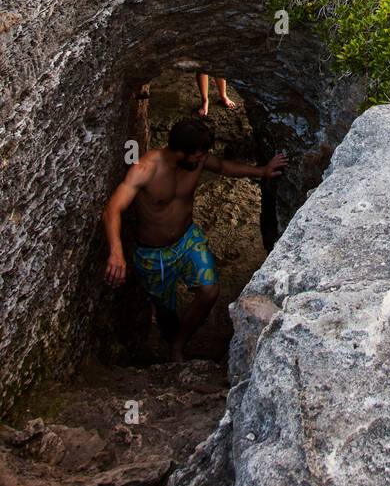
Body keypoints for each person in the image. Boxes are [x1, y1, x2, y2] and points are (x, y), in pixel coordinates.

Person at [103, 117, 285, 361]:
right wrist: (116, 252)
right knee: (165, 311)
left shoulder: (195, 160)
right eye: (199, 156)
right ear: (181, 152)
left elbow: (222, 166)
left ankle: (179, 344)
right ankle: (169, 339)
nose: (203, 160)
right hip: (153, 253)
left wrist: (262, 171)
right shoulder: (145, 169)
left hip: (188, 239)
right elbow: (113, 209)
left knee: (210, 291)